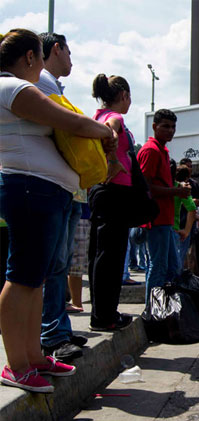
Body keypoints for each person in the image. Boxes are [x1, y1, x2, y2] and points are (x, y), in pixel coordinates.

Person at [0, 28, 117, 392]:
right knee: (21, 278)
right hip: (30, 187)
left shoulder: (16, 87)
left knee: (34, 279)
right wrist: (104, 132)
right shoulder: (13, 88)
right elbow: (72, 122)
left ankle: (34, 356)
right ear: (31, 57)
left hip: (42, 189)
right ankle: (16, 364)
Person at [34, 32, 87, 360]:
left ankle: (59, 329)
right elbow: (71, 129)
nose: (71, 59)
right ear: (56, 49)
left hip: (62, 187)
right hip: (48, 187)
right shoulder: (42, 82)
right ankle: (52, 334)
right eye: (69, 51)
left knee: (59, 264)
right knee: (52, 266)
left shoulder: (49, 83)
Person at [87, 73, 139, 331]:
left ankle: (102, 313)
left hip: (98, 191)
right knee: (112, 256)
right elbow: (112, 130)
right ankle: (105, 316)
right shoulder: (114, 117)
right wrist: (113, 159)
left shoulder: (95, 115)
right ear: (124, 96)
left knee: (99, 254)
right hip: (114, 192)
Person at [138, 109, 191, 302]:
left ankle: (163, 310)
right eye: (165, 126)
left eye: (173, 127)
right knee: (158, 266)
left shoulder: (163, 150)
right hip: (156, 219)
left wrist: (176, 188)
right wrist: (177, 192)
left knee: (170, 267)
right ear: (154, 127)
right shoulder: (151, 150)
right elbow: (146, 187)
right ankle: (152, 311)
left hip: (166, 220)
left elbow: (158, 184)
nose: (170, 131)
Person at [174, 163, 197, 267]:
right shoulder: (183, 188)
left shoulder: (161, 186)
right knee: (179, 257)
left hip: (159, 227)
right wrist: (187, 231)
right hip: (178, 228)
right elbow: (192, 209)